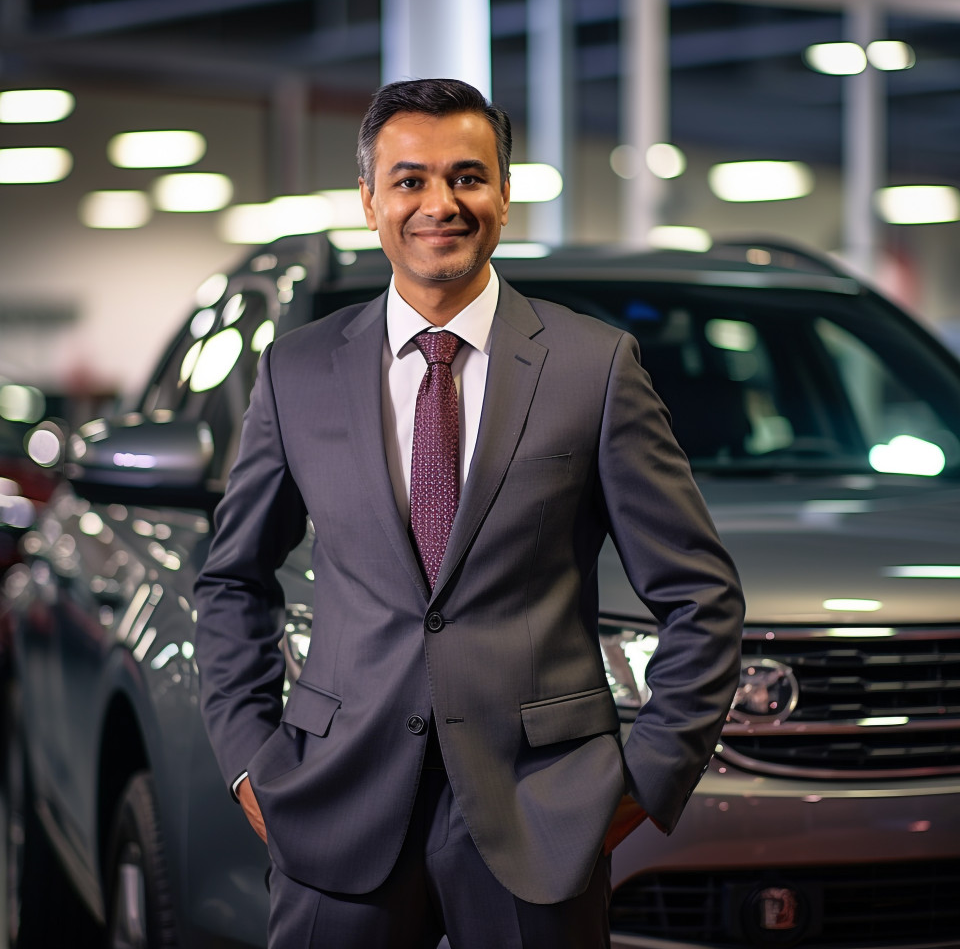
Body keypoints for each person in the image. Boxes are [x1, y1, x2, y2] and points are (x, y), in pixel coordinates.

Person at [194, 77, 744, 949]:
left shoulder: (593, 367)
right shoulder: (295, 372)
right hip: (335, 801)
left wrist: (641, 782)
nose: (440, 204)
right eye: (410, 180)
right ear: (369, 200)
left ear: (505, 194)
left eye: (467, 177)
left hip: (542, 815)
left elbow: (702, 599)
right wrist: (250, 766)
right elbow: (230, 581)